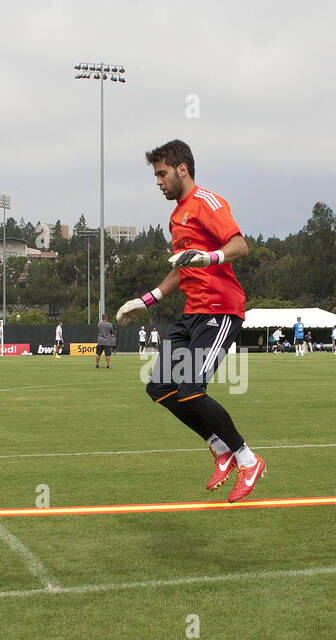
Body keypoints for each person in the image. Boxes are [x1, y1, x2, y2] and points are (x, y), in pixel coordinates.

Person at [117, 138, 265, 502]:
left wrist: (208, 257)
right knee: (160, 387)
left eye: (162, 173)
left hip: (220, 311)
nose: (158, 181)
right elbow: (181, 272)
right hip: (192, 313)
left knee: (191, 389)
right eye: (156, 175)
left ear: (182, 169)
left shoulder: (208, 203)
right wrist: (146, 300)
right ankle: (220, 448)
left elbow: (240, 246)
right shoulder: (175, 218)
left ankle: (248, 460)